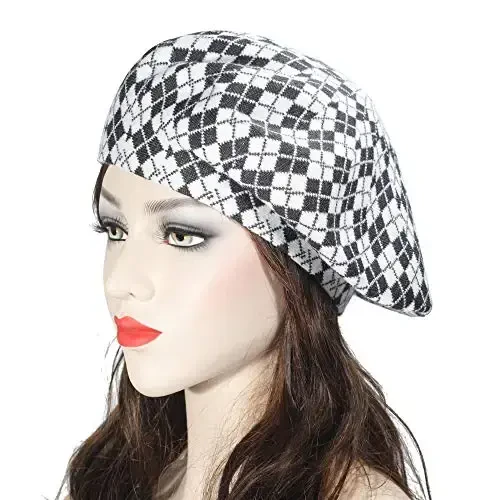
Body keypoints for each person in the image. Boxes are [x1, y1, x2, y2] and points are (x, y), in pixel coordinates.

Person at [57, 29, 433, 499]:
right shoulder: (126, 478)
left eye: (181, 235)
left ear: (298, 263)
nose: (120, 281)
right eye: (115, 229)